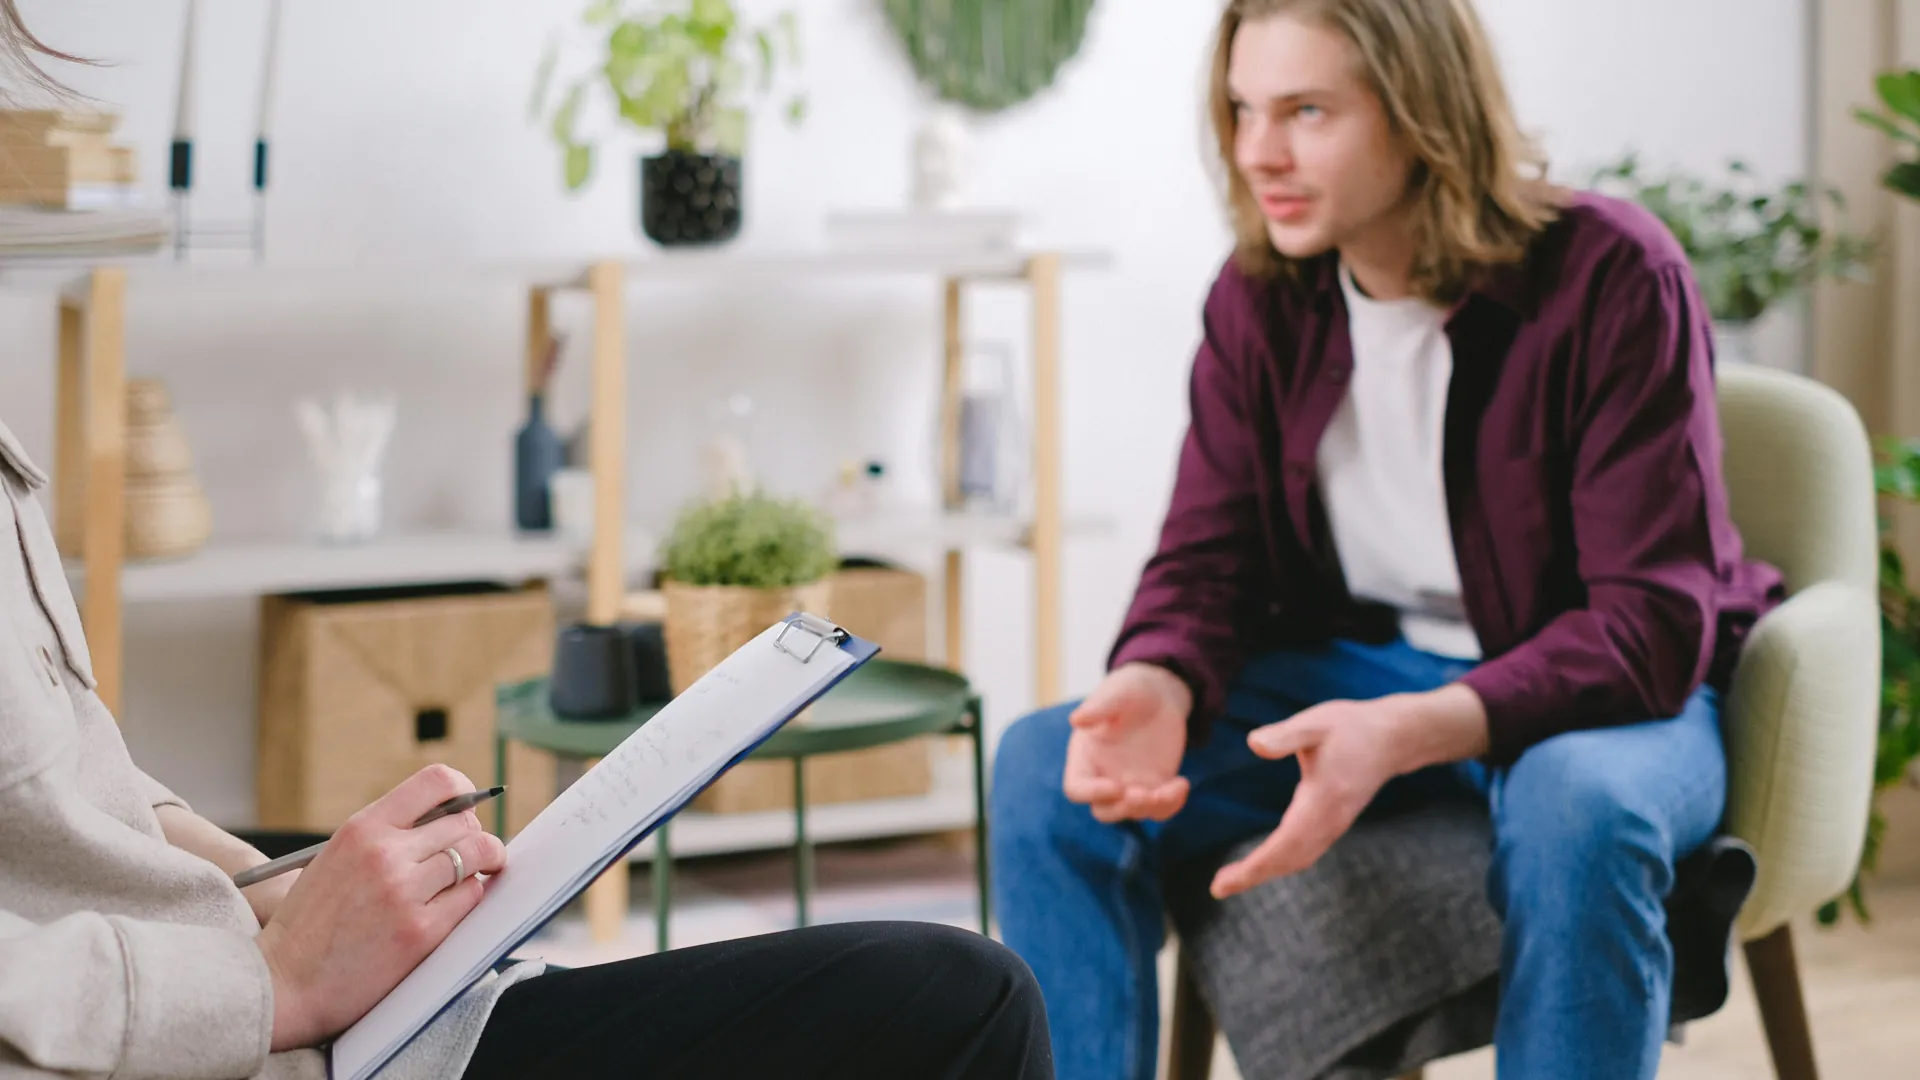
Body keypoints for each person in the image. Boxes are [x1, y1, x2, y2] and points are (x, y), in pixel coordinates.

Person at [0, 12, 1053, 1080]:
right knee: (961, 1003)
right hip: (246, 1037)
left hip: (265, 978)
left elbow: (65, 788)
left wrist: (276, 886)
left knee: (957, 986)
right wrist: (280, 981)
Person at [988, 1, 1785, 1078]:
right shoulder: (1259, 296)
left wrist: (1409, 731)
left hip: (1601, 689)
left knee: (1579, 812)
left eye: (1307, 110)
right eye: (1242, 109)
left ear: (1423, 114)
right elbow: (1208, 556)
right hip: (1361, 666)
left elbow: (1648, 628)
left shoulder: (1611, 274)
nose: (1258, 151)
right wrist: (1162, 676)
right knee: (1046, 768)